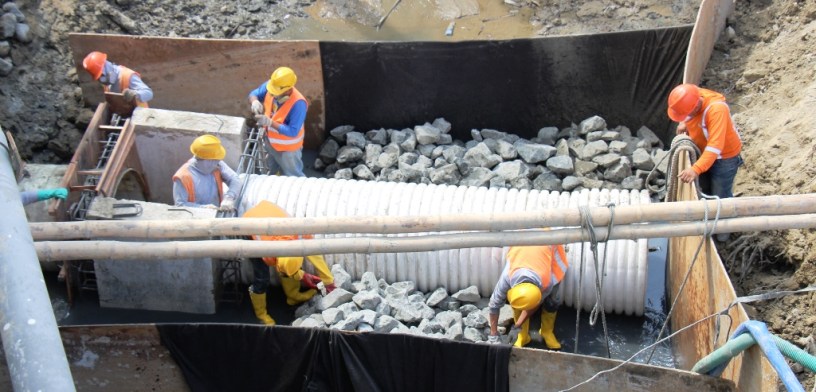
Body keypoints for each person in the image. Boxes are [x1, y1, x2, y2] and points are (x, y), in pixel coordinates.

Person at [241, 200, 336, 325]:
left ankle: (293, 297)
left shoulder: (300, 232)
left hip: (267, 213)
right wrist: (300, 275)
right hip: (247, 225)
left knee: (289, 267)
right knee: (262, 278)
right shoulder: (267, 251)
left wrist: (327, 279)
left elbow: (314, 253)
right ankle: (261, 315)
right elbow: (282, 267)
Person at [668, 84, 743, 240]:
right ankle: (708, 222)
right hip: (705, 150)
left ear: (696, 107)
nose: (685, 117)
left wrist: (695, 169)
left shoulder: (717, 110)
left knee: (721, 196)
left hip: (725, 158)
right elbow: (689, 114)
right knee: (706, 189)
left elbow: (715, 147)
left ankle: (722, 236)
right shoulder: (693, 95)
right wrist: (684, 122)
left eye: (686, 115)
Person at [487, 243, 568, 349]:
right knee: (521, 303)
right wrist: (493, 335)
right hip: (524, 249)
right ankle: (523, 336)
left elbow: (534, 305)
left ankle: (546, 332)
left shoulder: (547, 283)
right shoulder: (507, 277)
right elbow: (494, 305)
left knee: (552, 301)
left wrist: (517, 326)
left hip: (551, 252)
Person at [247, 66, 308, 177]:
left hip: (288, 150)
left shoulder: (298, 104)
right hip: (270, 142)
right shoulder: (272, 86)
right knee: (270, 172)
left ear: (289, 89)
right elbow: (253, 94)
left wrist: (270, 122)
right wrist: (254, 102)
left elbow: (293, 131)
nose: (273, 95)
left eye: (277, 93)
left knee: (293, 175)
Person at [172, 134, 242, 211]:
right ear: (204, 159)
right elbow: (180, 205)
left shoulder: (217, 164)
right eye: (214, 159)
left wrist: (229, 197)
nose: (218, 161)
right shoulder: (183, 177)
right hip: (196, 219)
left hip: (217, 213)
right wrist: (203, 208)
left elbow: (235, 179)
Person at [82, 51, 153, 107]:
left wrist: (135, 94)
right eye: (98, 78)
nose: (101, 80)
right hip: (124, 113)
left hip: (139, 117)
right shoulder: (107, 84)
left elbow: (149, 93)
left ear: (107, 68)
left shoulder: (127, 76)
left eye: (101, 76)